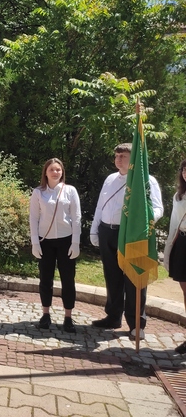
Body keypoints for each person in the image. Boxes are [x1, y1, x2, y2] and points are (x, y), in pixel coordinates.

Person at [90, 143, 163, 339]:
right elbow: (100, 206)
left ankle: (136, 323)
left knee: (134, 279)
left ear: (133, 158)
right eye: (116, 156)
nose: (118, 159)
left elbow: (157, 209)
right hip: (107, 231)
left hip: (130, 235)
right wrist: (95, 230)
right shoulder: (110, 179)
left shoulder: (146, 180)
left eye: (123, 156)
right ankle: (113, 317)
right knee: (112, 276)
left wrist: (141, 224)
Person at [29, 158, 81, 333]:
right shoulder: (38, 193)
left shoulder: (70, 191)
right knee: (45, 279)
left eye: (58, 169)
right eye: (52, 169)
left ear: (62, 172)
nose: (55, 172)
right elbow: (33, 218)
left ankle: (68, 317)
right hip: (46, 241)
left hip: (66, 240)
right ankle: (45, 314)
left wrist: (76, 242)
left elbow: (76, 217)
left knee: (68, 280)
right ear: (45, 172)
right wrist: (35, 242)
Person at [163, 160, 186, 353]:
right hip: (183, 243)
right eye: (184, 169)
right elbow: (174, 223)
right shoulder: (179, 196)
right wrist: (168, 250)